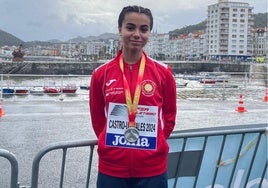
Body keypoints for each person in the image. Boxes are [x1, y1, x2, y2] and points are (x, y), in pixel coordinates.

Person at [89, 5, 177, 188]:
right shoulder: (101, 74)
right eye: (130, 27)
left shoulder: (163, 72)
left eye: (143, 29)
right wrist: (114, 146)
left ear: (149, 33)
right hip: (112, 168)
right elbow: (98, 121)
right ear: (119, 29)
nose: (137, 34)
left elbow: (169, 118)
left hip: (152, 169)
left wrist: (155, 142)